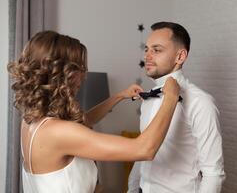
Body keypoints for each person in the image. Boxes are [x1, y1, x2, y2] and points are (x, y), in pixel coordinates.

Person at [7, 30, 181, 193]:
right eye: (79, 68)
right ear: (62, 74)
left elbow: (84, 120)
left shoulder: (33, 121)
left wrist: (119, 96)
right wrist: (171, 98)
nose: (84, 75)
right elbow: (144, 149)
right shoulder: (60, 132)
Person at [127, 22, 225, 193]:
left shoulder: (200, 102)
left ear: (180, 56)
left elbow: (213, 173)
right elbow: (142, 151)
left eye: (156, 50)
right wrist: (132, 188)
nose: (148, 56)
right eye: (146, 49)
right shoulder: (148, 97)